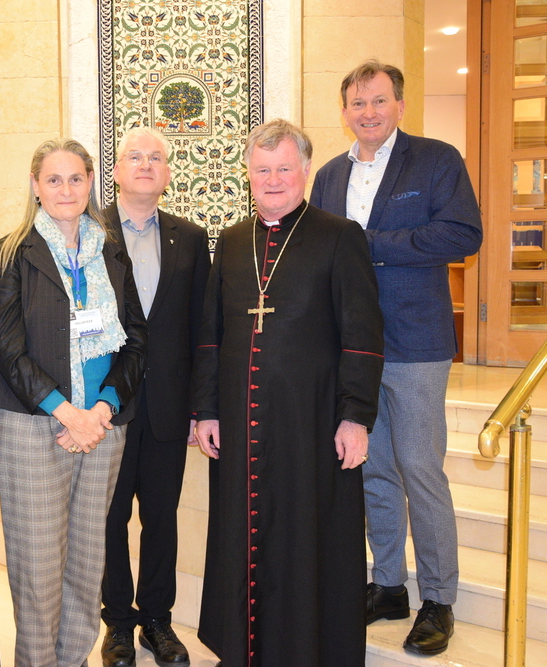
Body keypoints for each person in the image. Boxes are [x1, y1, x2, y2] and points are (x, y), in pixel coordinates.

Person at [190, 119, 385, 667]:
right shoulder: (230, 241)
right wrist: (205, 410)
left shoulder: (339, 235)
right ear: (247, 176)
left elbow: (363, 335)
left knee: (307, 538)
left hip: (312, 423)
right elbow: (211, 335)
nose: (272, 179)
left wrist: (356, 417)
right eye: (261, 170)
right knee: (242, 537)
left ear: (304, 170)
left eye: (283, 168)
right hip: (239, 423)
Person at [310, 59, 482, 656]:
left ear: (400, 105)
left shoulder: (435, 160)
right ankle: (388, 585)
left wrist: (371, 245)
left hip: (415, 342)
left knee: (419, 468)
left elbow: (463, 234)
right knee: (372, 468)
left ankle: (438, 597)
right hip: (351, 348)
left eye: (379, 101)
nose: (369, 112)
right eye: (358, 103)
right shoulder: (329, 176)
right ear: (345, 111)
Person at [0, 138, 147, 667]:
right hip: (37, 424)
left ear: (90, 183)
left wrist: (101, 409)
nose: (65, 189)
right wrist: (66, 411)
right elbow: (9, 351)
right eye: (53, 179)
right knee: (36, 565)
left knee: (85, 559)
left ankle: (73, 658)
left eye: (75, 178)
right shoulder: (12, 252)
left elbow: (137, 340)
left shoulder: (111, 251)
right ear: (35, 186)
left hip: (102, 426)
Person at [99, 127, 209, 667]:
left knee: (161, 518)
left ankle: (157, 621)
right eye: (134, 157)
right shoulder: (87, 233)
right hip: (105, 405)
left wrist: (201, 406)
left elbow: (202, 330)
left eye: (156, 158)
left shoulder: (190, 238)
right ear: (116, 171)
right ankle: (117, 623)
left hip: (168, 405)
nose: (146, 165)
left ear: (168, 174)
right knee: (110, 517)